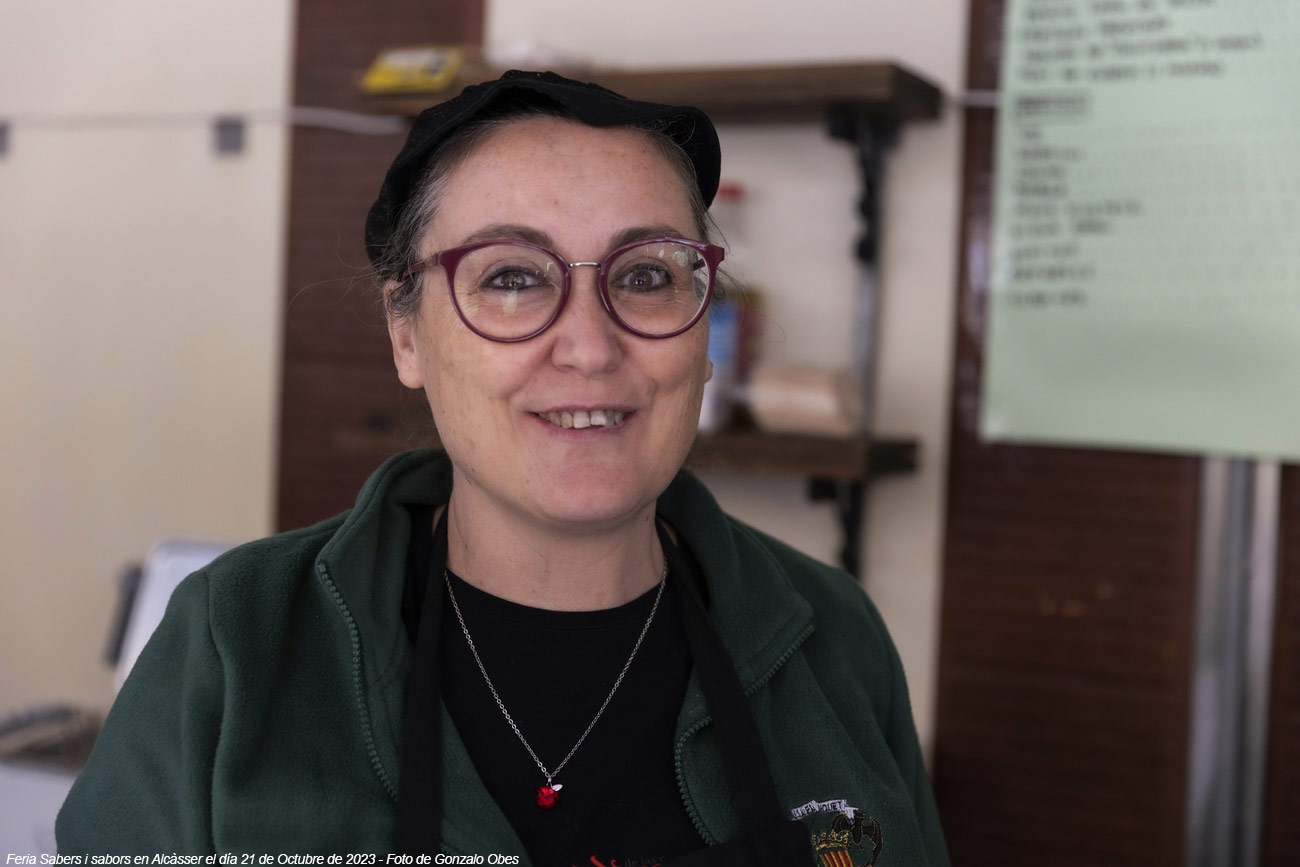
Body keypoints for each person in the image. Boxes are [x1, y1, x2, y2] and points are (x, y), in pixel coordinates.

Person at [57, 71, 948, 866]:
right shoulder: (235, 648)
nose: (591, 348)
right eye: (514, 277)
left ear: (703, 329)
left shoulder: (833, 640)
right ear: (407, 334)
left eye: (645, 276)